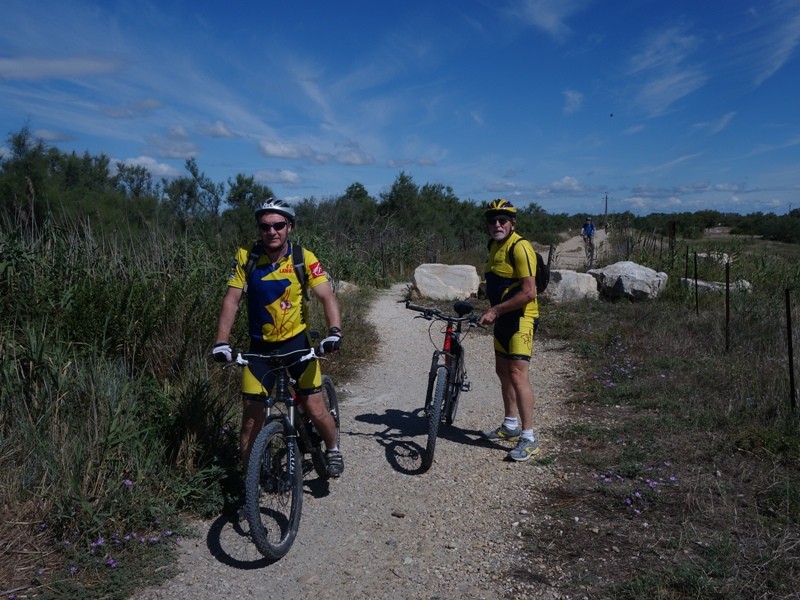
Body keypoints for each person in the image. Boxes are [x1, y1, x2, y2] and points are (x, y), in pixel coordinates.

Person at [211, 198, 344, 479]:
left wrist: (334, 332)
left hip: (297, 344)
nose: (271, 231)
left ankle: (332, 448)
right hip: (259, 348)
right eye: (265, 226)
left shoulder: (302, 257)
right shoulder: (246, 257)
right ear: (259, 229)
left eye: (278, 225)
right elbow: (232, 300)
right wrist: (221, 341)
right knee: (250, 420)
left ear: (289, 227)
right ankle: (250, 484)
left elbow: (326, 296)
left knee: (315, 408)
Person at [478, 199, 541, 462]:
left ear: (512, 223)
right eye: (492, 220)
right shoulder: (494, 246)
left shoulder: (520, 247)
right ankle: (510, 425)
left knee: (517, 375)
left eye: (502, 220)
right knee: (502, 371)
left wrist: (495, 310)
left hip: (521, 319)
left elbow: (529, 292)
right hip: (503, 318)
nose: (497, 224)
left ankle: (529, 438)